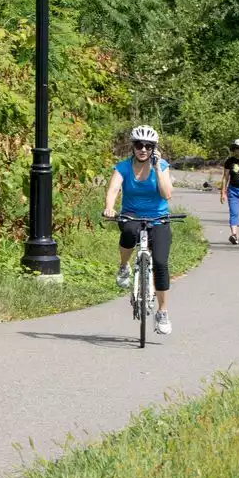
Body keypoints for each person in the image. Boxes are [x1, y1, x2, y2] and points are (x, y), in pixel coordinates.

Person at [102, 125, 176, 335]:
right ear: (132, 146)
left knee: (161, 263)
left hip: (159, 218)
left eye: (148, 146)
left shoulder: (161, 165)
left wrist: (158, 169)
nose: (143, 149)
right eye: (139, 145)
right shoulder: (123, 167)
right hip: (131, 215)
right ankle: (124, 266)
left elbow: (167, 194)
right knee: (128, 232)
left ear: (154, 148)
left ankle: (162, 312)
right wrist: (109, 207)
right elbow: (114, 188)